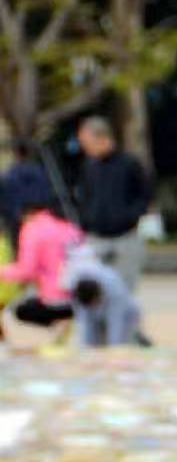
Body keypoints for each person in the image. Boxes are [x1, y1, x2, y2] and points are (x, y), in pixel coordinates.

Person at [74, 117, 152, 293]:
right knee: (95, 292)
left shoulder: (129, 163)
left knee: (123, 291)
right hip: (96, 238)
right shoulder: (89, 166)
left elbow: (144, 195)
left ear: (101, 138)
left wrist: (130, 215)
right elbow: (84, 196)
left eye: (86, 142)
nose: (84, 147)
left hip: (125, 237)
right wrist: (86, 219)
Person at [1, 197, 83, 341]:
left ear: (26, 215)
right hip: (79, 297)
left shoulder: (32, 229)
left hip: (54, 302)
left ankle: (53, 337)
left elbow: (26, 271)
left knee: (12, 311)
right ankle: (61, 334)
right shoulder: (69, 227)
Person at [64, 247, 140, 348]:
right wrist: (85, 349)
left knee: (120, 344)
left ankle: (136, 339)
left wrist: (114, 349)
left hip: (126, 314)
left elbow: (116, 322)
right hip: (99, 313)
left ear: (98, 295)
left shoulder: (113, 288)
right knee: (93, 345)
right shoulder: (75, 287)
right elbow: (84, 322)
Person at [0, 142, 52, 256]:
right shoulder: (40, 170)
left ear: (15, 154)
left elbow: (5, 196)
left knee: (20, 250)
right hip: (40, 216)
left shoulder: (9, 174)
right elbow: (46, 193)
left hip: (15, 217)